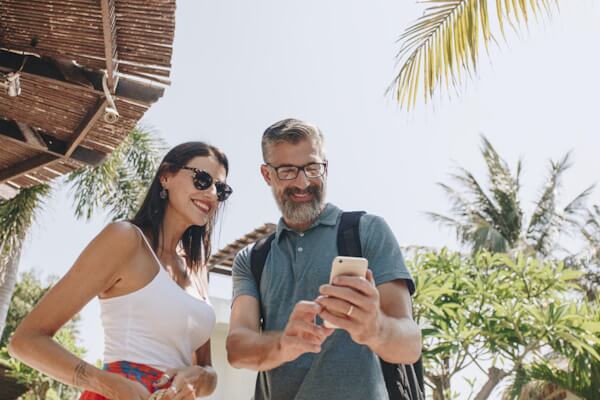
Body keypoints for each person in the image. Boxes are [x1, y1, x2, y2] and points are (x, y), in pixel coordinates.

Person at [9, 142, 233, 400]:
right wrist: (107, 384)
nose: (212, 194)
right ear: (166, 176)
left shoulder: (198, 269)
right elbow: (26, 340)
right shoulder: (125, 239)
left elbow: (205, 366)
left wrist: (204, 378)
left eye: (221, 189)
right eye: (202, 179)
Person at [226, 118, 421, 400]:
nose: (303, 182)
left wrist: (374, 328)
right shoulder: (252, 259)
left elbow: (410, 344)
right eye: (288, 171)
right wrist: (284, 343)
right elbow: (237, 348)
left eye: (312, 168)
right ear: (267, 175)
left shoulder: (368, 231)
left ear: (326, 168)